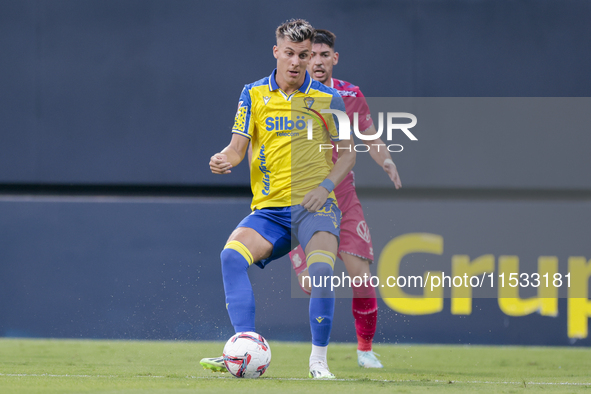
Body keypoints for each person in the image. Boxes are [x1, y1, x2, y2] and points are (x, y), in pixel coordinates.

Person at [201, 19, 355, 379]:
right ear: (276, 51)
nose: (296, 62)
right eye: (289, 53)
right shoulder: (252, 94)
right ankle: (243, 347)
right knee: (230, 256)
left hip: (314, 209)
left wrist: (326, 188)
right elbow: (237, 149)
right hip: (270, 212)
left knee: (320, 271)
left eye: (303, 55)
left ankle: (318, 362)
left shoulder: (329, 98)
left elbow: (348, 154)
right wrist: (223, 159)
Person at [289, 29, 402, 369]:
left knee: (362, 277)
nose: (318, 62)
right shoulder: (286, 96)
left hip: (343, 195)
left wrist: (386, 160)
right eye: (312, 56)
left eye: (325, 56)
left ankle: (365, 350)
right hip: (302, 197)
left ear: (334, 58)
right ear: (303, 58)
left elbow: (369, 135)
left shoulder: (350, 95)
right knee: (313, 284)